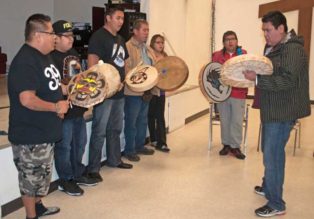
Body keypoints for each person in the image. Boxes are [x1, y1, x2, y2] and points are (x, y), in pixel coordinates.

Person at [243, 11, 311, 217]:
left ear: (281, 29)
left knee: (273, 156)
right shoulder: (275, 46)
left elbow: (288, 81)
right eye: (263, 30)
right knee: (269, 151)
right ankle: (268, 185)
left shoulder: (292, 50)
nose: (265, 34)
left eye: (268, 30)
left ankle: (276, 204)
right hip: (272, 108)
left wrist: (256, 79)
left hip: (283, 110)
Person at [7, 14, 69, 219]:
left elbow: (51, 84)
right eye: (52, 33)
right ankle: (31, 216)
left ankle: (39, 206)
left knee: (41, 175)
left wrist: (70, 87)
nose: (55, 38)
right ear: (37, 35)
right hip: (30, 135)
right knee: (30, 179)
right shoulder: (25, 61)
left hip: (45, 131)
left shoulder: (44, 56)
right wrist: (55, 107)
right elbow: (27, 99)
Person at [51, 20, 98, 196]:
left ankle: (77, 173)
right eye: (67, 36)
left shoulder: (73, 53)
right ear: (55, 37)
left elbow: (80, 78)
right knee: (64, 148)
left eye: (72, 35)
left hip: (77, 108)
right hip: (63, 111)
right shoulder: (49, 57)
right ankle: (65, 179)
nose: (71, 39)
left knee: (79, 144)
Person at [85, 7, 133, 183]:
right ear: (108, 18)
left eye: (122, 18)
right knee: (99, 131)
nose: (121, 21)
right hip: (104, 94)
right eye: (118, 18)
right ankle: (93, 168)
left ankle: (114, 159)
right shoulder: (98, 37)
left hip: (119, 92)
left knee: (115, 128)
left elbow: (124, 63)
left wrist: (125, 79)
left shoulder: (120, 38)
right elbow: (92, 66)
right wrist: (100, 89)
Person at [123, 19, 156, 162]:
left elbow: (154, 67)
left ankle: (139, 145)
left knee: (142, 120)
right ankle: (130, 150)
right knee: (132, 121)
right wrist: (140, 82)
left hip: (148, 91)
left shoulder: (147, 48)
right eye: (144, 30)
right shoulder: (127, 47)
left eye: (148, 30)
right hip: (133, 93)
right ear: (135, 31)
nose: (147, 33)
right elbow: (126, 70)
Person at [212, 31, 247, 160]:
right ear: (223, 42)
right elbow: (212, 73)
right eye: (227, 39)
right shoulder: (216, 56)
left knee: (237, 121)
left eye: (233, 39)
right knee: (225, 120)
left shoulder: (243, 55)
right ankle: (226, 144)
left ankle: (235, 146)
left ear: (237, 41)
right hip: (222, 94)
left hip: (238, 93)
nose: (230, 42)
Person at [147, 34, 170, 152]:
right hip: (151, 90)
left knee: (160, 116)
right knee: (151, 115)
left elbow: (167, 73)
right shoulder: (149, 56)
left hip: (161, 90)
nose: (161, 45)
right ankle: (153, 139)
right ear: (152, 44)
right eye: (158, 42)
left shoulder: (165, 57)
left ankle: (162, 142)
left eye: (162, 42)